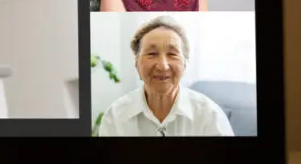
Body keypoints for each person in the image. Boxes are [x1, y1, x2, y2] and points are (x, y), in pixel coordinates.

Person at [94, 17, 234, 137]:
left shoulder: (210, 116)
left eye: (172, 54)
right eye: (152, 54)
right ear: (137, 64)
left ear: (184, 65)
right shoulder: (115, 116)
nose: (163, 66)